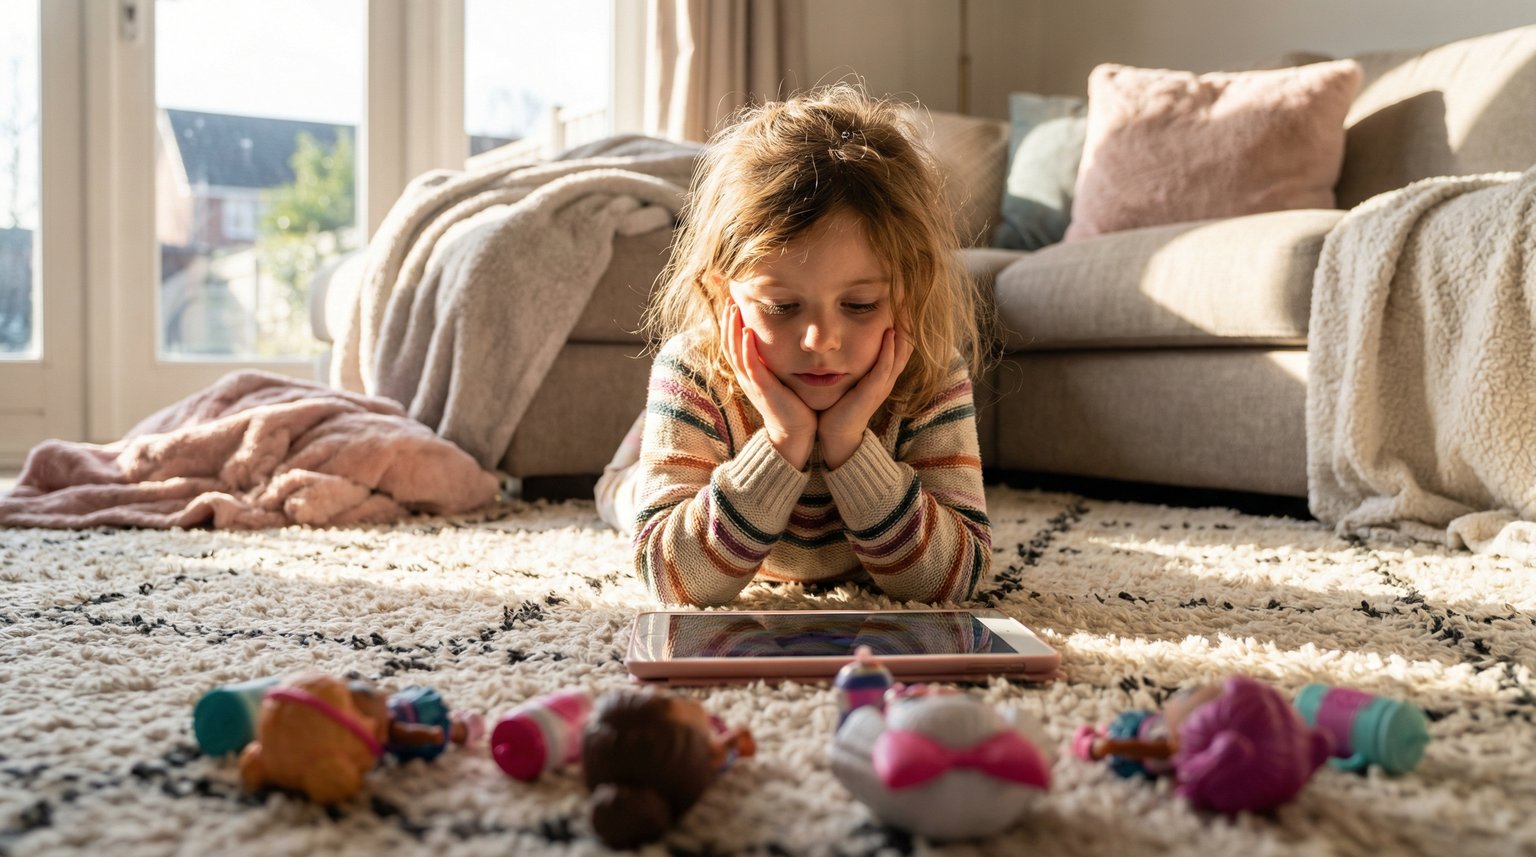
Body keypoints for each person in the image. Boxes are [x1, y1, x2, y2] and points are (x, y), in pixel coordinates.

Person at [595, 83, 993, 606]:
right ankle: (626, 467)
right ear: (723, 294)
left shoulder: (932, 373)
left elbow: (956, 578)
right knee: (624, 494)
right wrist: (783, 439)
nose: (821, 341)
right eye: (782, 308)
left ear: (909, 291)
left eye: (860, 306)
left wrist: (849, 442)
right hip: (695, 431)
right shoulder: (694, 369)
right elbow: (674, 579)